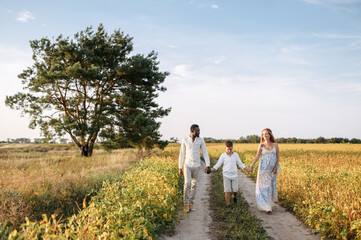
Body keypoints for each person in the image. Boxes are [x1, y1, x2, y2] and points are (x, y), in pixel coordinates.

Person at [179, 124, 211, 212]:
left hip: (197, 166)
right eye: (197, 131)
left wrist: (207, 165)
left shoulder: (201, 140)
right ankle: (186, 205)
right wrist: (180, 167)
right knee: (187, 184)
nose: (199, 132)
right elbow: (182, 154)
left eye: (199, 130)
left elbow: (205, 153)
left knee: (194, 185)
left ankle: (191, 204)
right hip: (187, 165)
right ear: (192, 131)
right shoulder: (185, 140)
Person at [211, 141, 251, 208]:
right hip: (226, 175)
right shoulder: (223, 155)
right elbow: (218, 164)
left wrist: (247, 169)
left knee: (235, 190)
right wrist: (212, 169)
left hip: (234, 175)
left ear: (232, 147)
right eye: (228, 149)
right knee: (227, 190)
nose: (229, 150)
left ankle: (234, 197)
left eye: (230, 149)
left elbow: (240, 163)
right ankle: (228, 205)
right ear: (225, 148)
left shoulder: (236, 155)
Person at [250, 128, 280, 213]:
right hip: (263, 170)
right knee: (264, 187)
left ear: (270, 134)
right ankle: (267, 207)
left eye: (266, 134)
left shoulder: (275, 145)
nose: (265, 136)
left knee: (270, 187)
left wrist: (276, 167)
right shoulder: (262, 145)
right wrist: (252, 166)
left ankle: (269, 204)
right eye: (263, 134)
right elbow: (257, 156)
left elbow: (278, 157)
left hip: (272, 170)